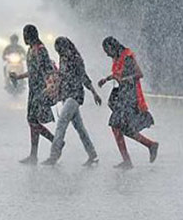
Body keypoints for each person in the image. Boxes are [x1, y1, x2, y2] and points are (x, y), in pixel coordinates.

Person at [98, 37, 158, 169]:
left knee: (116, 125)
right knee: (123, 128)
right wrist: (107, 79)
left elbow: (138, 74)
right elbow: (117, 74)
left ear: (113, 47)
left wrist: (124, 79)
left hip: (130, 96)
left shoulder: (127, 57)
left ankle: (129, 159)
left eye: (107, 51)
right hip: (122, 96)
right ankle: (149, 145)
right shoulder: (117, 58)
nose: (107, 54)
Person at [42, 37, 101, 167]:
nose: (60, 54)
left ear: (65, 47)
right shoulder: (63, 59)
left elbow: (83, 77)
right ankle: (93, 155)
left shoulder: (76, 59)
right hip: (66, 95)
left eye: (60, 50)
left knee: (61, 123)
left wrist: (94, 92)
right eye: (58, 52)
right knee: (80, 128)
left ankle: (54, 155)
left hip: (75, 95)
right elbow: (63, 76)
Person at [10, 24, 55, 164]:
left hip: (40, 90)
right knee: (33, 121)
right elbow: (33, 72)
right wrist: (18, 77)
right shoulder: (30, 50)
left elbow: (46, 71)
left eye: (26, 34)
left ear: (31, 35)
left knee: (32, 120)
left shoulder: (40, 50)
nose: (24, 37)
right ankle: (33, 154)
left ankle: (56, 141)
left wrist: (48, 87)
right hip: (33, 89)